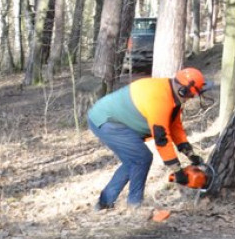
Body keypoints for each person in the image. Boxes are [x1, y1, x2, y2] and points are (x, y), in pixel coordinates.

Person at [87, 67, 208, 210]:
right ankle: (135, 205)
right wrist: (177, 170)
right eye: (191, 95)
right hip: (106, 120)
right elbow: (162, 139)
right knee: (142, 158)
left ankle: (104, 202)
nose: (191, 99)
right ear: (183, 90)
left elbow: (174, 126)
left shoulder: (172, 95)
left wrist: (190, 154)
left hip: (115, 119)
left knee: (133, 161)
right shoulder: (160, 99)